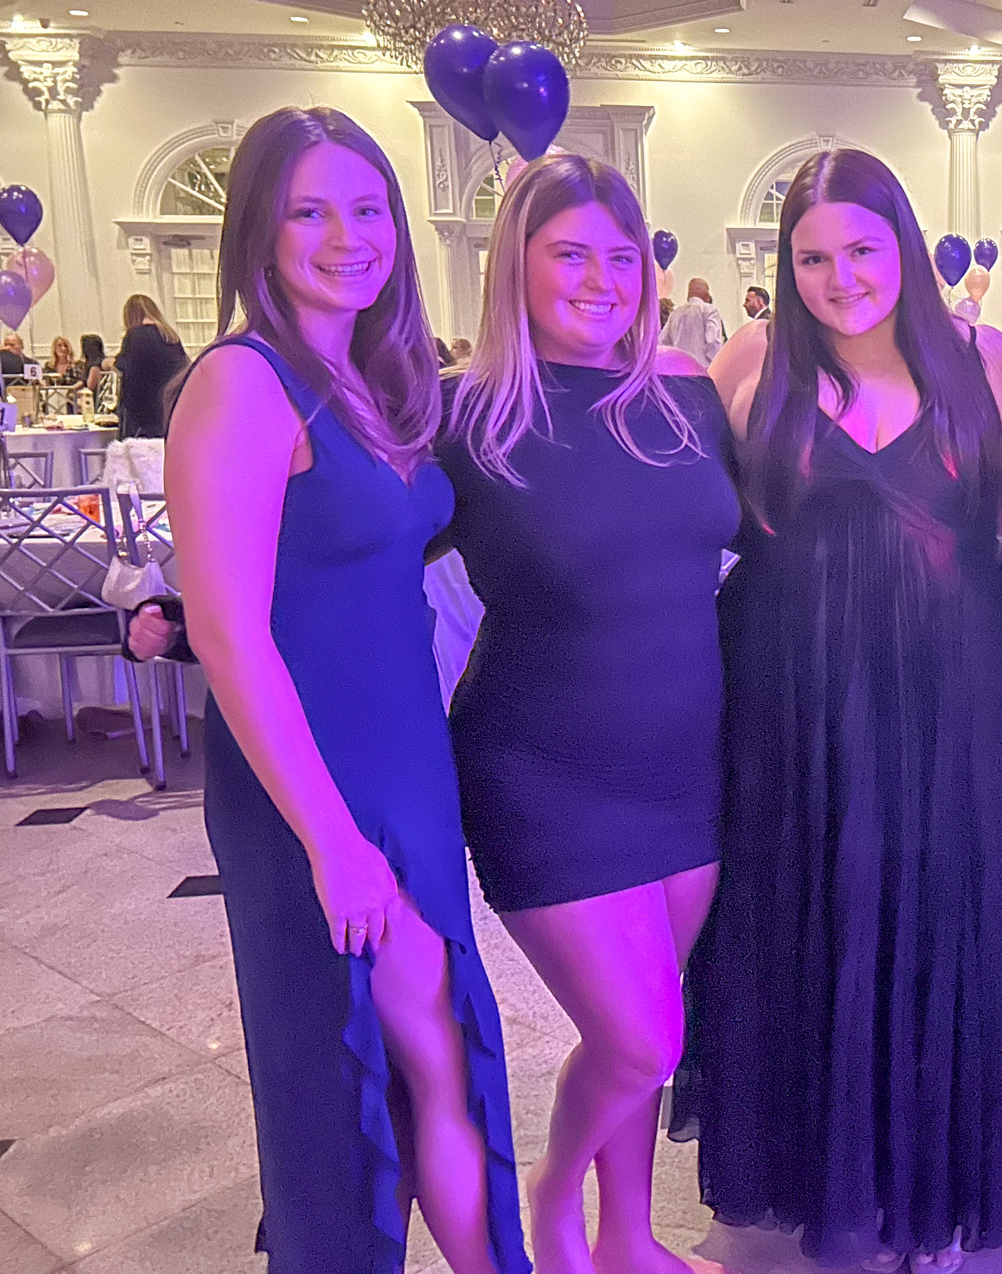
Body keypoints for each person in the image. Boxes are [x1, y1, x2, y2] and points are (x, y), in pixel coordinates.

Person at [163, 106, 528, 1272]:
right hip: (312, 781)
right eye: (308, 212)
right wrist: (331, 842)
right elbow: (227, 633)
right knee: (388, 1062)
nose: (346, 237)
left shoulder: (371, 376)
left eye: (367, 209)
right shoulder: (240, 382)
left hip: (405, 761)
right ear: (257, 234)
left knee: (434, 1065)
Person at [673, 147, 1002, 1269]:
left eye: (863, 250)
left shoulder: (988, 362)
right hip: (790, 692)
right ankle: (819, 1173)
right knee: (811, 909)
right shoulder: (751, 360)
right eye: (813, 258)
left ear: (906, 246)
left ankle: (932, 1185)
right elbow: (688, 510)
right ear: (786, 267)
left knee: (940, 913)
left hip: (953, 690)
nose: (841, 279)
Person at [439, 153, 740, 1274]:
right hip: (542, 773)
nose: (603, 280)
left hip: (685, 767)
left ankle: (629, 1238)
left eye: (623, 256)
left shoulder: (685, 400)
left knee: (648, 1023)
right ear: (512, 264)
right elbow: (353, 547)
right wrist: (189, 610)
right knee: (640, 1035)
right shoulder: (463, 418)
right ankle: (556, 1206)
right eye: (571, 254)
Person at [116, 294, 189, 438]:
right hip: (168, 409)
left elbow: (126, 367)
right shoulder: (171, 337)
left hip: (143, 413)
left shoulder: (135, 335)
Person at [660, 277, 726, 367]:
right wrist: (716, 364)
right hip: (702, 368)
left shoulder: (675, 314)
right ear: (707, 296)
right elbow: (713, 341)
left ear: (688, 296)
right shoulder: (709, 310)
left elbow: (662, 342)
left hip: (680, 368)